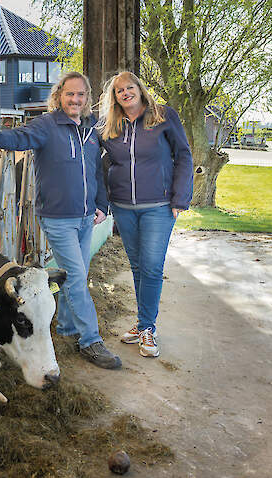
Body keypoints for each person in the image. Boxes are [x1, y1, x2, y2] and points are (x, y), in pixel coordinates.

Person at [0, 72, 121, 370]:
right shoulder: (46, 125)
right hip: (57, 218)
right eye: (70, 94)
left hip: (85, 218)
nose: (75, 100)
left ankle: (66, 329)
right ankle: (90, 340)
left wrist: (101, 205)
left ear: (87, 98)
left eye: (81, 95)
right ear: (59, 96)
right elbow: (20, 136)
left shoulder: (91, 131)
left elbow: (96, 172)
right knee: (78, 279)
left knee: (72, 276)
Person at [97, 71, 193, 358]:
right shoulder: (108, 125)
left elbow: (184, 156)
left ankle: (148, 328)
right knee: (138, 267)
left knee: (151, 266)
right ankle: (142, 325)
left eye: (129, 87)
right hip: (124, 207)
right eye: (119, 91)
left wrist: (180, 198)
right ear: (114, 98)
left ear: (139, 89)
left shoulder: (164, 116)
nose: (125, 93)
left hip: (159, 207)